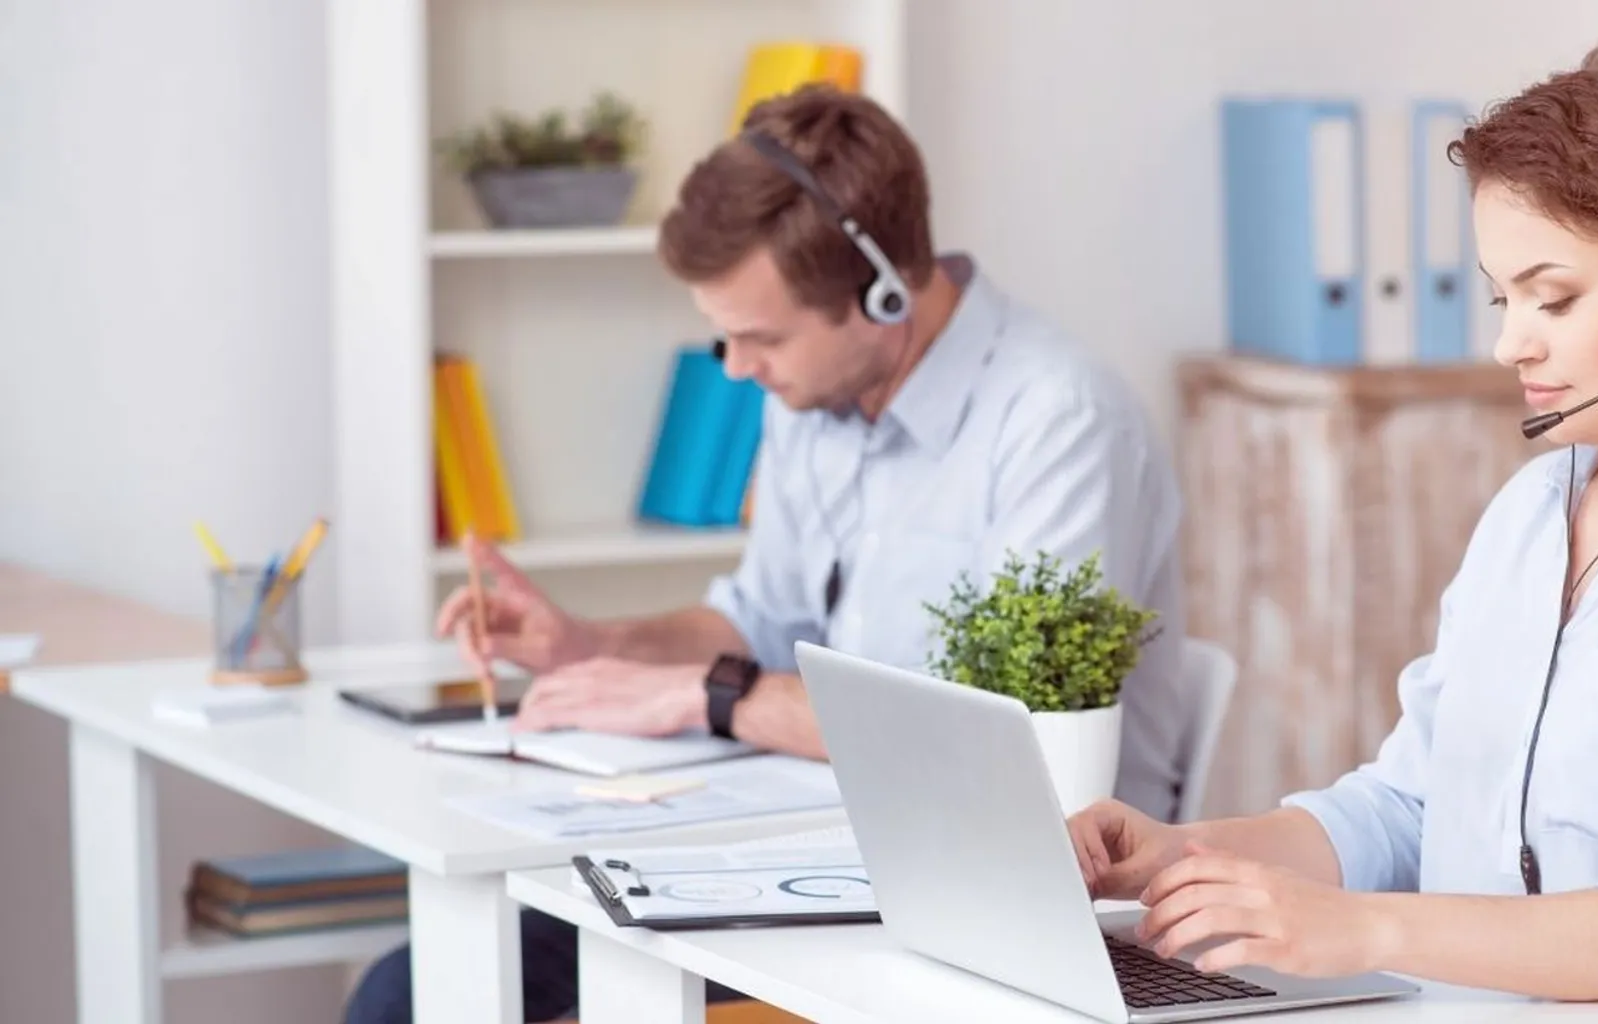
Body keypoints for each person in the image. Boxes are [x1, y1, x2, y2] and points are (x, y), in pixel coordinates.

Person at [1066, 34, 1598, 1005]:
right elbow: (1406, 807)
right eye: (1501, 295)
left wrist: (1366, 928)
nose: (1509, 340)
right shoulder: (1529, 513)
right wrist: (1182, 853)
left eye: (1552, 296)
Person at [344, 84, 1192, 1023]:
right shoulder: (815, 400)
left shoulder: (1057, 423)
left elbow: (1005, 752)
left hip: (1010, 908)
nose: (738, 369)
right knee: (408, 990)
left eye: (761, 337)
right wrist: (595, 645)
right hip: (830, 853)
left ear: (882, 294)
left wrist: (720, 697)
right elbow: (759, 618)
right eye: (726, 335)